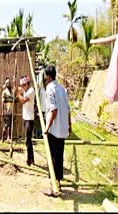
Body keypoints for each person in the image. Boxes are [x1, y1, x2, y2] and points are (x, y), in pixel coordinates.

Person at [42, 65, 71, 197]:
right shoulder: (62, 89)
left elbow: (53, 110)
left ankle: (54, 187)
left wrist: (47, 128)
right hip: (62, 128)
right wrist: (69, 125)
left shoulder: (50, 89)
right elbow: (68, 109)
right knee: (59, 157)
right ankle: (57, 183)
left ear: (48, 76)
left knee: (53, 158)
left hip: (54, 129)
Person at [15, 75, 35, 166]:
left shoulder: (30, 91)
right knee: (28, 140)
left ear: (27, 83)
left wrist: (17, 94)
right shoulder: (26, 90)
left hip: (29, 119)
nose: (22, 86)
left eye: (24, 85)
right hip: (26, 118)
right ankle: (32, 158)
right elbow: (19, 89)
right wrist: (16, 86)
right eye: (22, 85)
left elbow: (23, 100)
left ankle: (29, 159)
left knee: (28, 140)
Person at [1, 78, 14, 143]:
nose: (8, 84)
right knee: (6, 125)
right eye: (7, 83)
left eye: (9, 83)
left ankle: (9, 138)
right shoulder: (4, 92)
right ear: (5, 84)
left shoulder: (12, 92)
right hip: (6, 111)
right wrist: (3, 111)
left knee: (10, 126)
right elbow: (2, 103)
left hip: (11, 111)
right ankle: (3, 138)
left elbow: (13, 100)